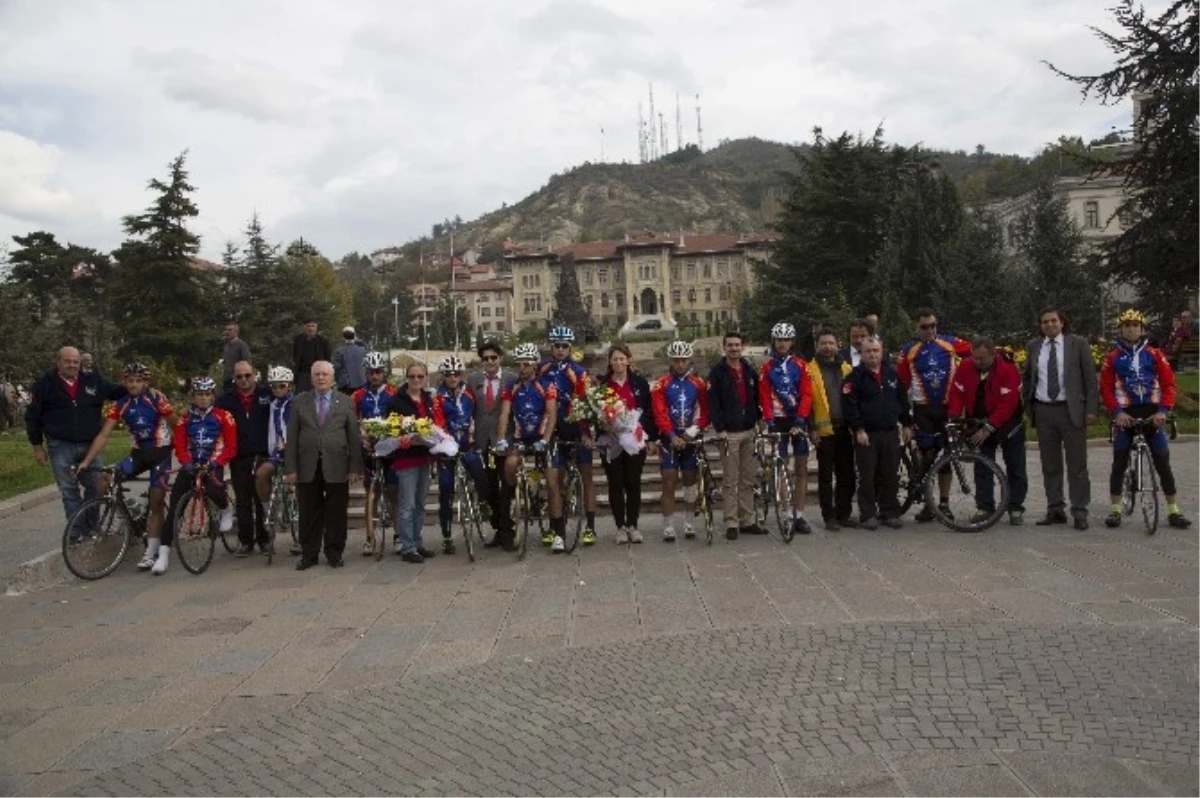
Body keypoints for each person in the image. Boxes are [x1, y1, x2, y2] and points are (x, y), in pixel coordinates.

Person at [75, 363, 175, 569]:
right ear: (125, 382)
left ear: (146, 382)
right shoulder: (120, 404)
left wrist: (184, 449)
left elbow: (177, 424)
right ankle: (121, 514)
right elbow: (104, 434)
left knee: (156, 500)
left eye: (138, 381)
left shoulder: (156, 399)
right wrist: (86, 461)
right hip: (138, 454)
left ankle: (151, 552)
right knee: (104, 480)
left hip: (160, 454)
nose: (134, 385)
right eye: (130, 381)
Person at [1100, 309, 1191, 529]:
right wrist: (1117, 413)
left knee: (1162, 460)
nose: (1131, 329)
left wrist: (1163, 410)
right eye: (1127, 325)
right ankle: (1115, 509)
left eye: (1135, 325)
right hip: (1126, 414)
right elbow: (1106, 389)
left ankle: (1173, 510)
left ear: (1142, 329)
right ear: (1121, 329)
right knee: (1119, 460)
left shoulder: (1154, 353)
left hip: (1152, 412)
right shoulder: (1112, 357)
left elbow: (1169, 384)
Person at [26, 346, 125, 532]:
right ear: (58, 362)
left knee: (96, 487)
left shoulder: (93, 381)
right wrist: (37, 446)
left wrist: (146, 391)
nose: (72, 365)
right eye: (67, 361)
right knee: (69, 491)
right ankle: (77, 533)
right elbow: (32, 417)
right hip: (60, 445)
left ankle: (92, 527)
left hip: (90, 444)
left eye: (75, 362)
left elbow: (119, 392)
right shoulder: (44, 385)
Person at [1021, 307, 1099, 530]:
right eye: (1045, 322)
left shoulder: (1078, 344)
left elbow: (1090, 380)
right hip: (1044, 410)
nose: (1049, 325)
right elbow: (1028, 377)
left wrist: (1091, 410)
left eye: (1053, 321)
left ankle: (1080, 510)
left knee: (1077, 465)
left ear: (1062, 323)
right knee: (1050, 464)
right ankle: (1055, 508)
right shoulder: (1034, 347)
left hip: (1071, 410)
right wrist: (1029, 406)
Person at [284, 361, 362, 569]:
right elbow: (292, 437)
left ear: (332, 378)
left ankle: (334, 553)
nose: (321, 378)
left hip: (336, 464)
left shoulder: (345, 402)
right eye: (317, 374)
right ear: (311, 378)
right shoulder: (300, 402)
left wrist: (355, 467)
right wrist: (290, 468)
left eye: (325, 374)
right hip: (307, 465)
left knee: (336, 511)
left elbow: (353, 437)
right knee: (309, 511)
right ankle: (309, 554)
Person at [897, 308, 972, 522]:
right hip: (923, 409)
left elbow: (977, 352)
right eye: (924, 327)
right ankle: (927, 502)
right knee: (926, 456)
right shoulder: (909, 350)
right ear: (916, 326)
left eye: (933, 326)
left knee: (948, 458)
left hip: (948, 408)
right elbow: (902, 384)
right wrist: (905, 418)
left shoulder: (950, 343)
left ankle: (944, 504)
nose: (930, 330)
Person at [947, 336, 1028, 527]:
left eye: (981, 359)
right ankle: (984, 507)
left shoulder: (1008, 368)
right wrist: (954, 417)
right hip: (978, 419)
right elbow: (957, 392)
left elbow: (1008, 404)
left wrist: (989, 427)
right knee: (982, 466)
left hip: (1009, 423)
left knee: (1015, 466)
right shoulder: (966, 366)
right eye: (974, 358)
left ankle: (1015, 507)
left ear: (993, 355)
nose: (977, 362)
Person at [165, 377, 238, 574]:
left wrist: (216, 462)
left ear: (213, 395)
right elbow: (179, 445)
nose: (204, 398)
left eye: (207, 394)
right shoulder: (185, 418)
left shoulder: (224, 416)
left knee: (214, 487)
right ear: (193, 396)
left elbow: (231, 446)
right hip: (192, 464)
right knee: (175, 502)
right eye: (199, 394)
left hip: (214, 462)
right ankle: (163, 550)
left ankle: (225, 508)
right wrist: (186, 463)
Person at [843, 337, 912, 529]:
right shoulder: (854, 377)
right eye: (868, 351)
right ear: (862, 354)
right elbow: (851, 406)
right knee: (867, 475)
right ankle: (868, 514)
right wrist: (858, 429)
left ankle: (889, 511)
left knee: (890, 473)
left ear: (881, 352)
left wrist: (906, 424)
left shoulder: (892, 374)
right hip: (867, 434)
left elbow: (902, 400)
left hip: (890, 432)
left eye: (875, 351)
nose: (872, 354)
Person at [539, 326, 598, 547]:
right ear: (551, 347)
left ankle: (591, 526)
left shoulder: (579, 371)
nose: (561, 350)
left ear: (570, 348)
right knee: (554, 480)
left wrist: (585, 432)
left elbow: (586, 403)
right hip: (553, 429)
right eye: (557, 346)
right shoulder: (541, 370)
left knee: (587, 475)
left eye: (565, 346)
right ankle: (557, 530)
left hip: (575, 426)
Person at [496, 343, 558, 544]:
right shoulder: (511, 387)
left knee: (550, 481)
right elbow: (504, 415)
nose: (521, 368)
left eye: (526, 364)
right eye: (518, 364)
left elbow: (551, 413)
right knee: (511, 464)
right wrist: (501, 440)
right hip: (521, 436)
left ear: (534, 365)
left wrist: (545, 439)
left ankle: (552, 526)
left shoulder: (545, 385)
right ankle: (516, 494)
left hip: (541, 436)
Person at [758, 322, 815, 536]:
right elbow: (764, 396)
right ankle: (787, 513)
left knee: (801, 468)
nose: (782, 344)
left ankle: (799, 514)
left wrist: (801, 420)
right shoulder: (767, 368)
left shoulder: (800, 365)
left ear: (791, 342)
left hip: (797, 419)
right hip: (778, 420)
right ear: (774, 341)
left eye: (786, 340)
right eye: (779, 340)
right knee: (781, 467)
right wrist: (769, 420)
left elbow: (807, 394)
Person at [652, 340, 709, 542]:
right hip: (669, 438)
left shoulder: (699, 384)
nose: (680, 364)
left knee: (689, 481)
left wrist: (692, 432)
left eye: (684, 360)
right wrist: (671, 435)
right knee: (668, 481)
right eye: (677, 360)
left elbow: (705, 411)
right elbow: (659, 413)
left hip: (690, 437)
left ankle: (689, 522)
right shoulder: (662, 384)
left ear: (689, 360)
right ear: (671, 361)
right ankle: (668, 525)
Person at [597, 344, 655, 544]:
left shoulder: (639, 383)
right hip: (610, 439)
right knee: (615, 483)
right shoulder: (601, 385)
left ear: (629, 360)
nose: (619, 362)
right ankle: (620, 526)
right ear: (610, 362)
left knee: (633, 482)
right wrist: (603, 424)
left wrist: (650, 438)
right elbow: (593, 411)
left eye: (622, 359)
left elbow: (648, 411)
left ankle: (633, 525)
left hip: (634, 439)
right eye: (615, 359)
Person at [707, 331, 762, 539]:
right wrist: (719, 429)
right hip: (728, 433)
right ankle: (731, 521)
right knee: (730, 480)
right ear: (724, 348)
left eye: (737, 345)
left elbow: (755, 396)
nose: (734, 348)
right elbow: (713, 403)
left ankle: (748, 519)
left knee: (748, 479)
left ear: (743, 347)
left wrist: (758, 419)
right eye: (730, 345)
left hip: (748, 430)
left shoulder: (748, 370)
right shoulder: (717, 373)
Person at [433, 355, 490, 554]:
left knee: (481, 475)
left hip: (468, 445)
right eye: (448, 374)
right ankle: (447, 534)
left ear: (461, 375)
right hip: (447, 449)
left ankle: (483, 503)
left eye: (456, 374)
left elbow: (477, 415)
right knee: (446, 489)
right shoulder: (438, 397)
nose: (452, 378)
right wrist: (446, 442)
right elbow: (438, 423)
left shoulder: (469, 394)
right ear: (443, 376)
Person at [386, 361, 442, 563]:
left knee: (420, 503)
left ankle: (417, 542)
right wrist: (404, 437)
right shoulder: (396, 400)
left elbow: (433, 425)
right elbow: (390, 429)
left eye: (420, 376)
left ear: (426, 378)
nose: (416, 380)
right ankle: (407, 546)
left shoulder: (428, 399)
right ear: (406, 378)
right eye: (412, 376)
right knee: (407, 504)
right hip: (406, 458)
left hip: (424, 456)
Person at [215, 361, 272, 556]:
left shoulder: (266, 394)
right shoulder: (225, 400)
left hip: (262, 453)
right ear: (234, 378)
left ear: (254, 374)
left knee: (261, 497)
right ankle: (246, 540)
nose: (244, 380)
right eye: (239, 377)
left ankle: (264, 538)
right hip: (239, 455)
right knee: (243, 498)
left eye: (247, 375)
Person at [467, 340, 517, 550]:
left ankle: (507, 531)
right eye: (485, 358)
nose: (489, 362)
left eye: (493, 358)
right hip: (482, 440)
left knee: (506, 486)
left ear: (500, 359)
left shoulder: (511, 379)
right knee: (487, 487)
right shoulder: (473, 380)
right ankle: (498, 525)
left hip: (505, 438)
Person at [807, 328, 856, 530]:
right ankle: (829, 517)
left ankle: (844, 513)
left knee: (847, 474)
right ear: (817, 346)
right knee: (826, 477)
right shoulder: (809, 370)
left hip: (845, 429)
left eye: (831, 343)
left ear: (838, 345)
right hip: (824, 431)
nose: (828, 347)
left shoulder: (847, 370)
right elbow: (807, 402)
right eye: (824, 343)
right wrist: (811, 428)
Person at [352, 351, 398, 555]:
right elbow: (353, 421)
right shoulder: (358, 395)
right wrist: (361, 437)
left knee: (393, 492)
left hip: (390, 448)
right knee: (371, 492)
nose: (375, 376)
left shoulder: (393, 392)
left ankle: (398, 535)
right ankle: (370, 538)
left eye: (378, 372)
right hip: (368, 447)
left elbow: (400, 418)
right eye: (371, 372)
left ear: (384, 372)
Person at [255, 366, 297, 552]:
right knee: (261, 473)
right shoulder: (271, 405)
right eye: (274, 387)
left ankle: (300, 531)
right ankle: (268, 510)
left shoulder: (297, 404)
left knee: (295, 483)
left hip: (295, 453)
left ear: (290, 386)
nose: (278, 390)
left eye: (282, 386)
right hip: (276, 453)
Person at [292, 318, 331, 393]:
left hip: (318, 374)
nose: (311, 328)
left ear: (316, 327)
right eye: (308, 326)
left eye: (313, 326)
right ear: (304, 327)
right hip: (302, 374)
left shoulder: (323, 341)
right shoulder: (298, 340)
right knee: (302, 397)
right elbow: (295, 356)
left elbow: (328, 359)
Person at [333, 326, 368, 396]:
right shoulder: (363, 350)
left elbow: (337, 369)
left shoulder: (339, 351)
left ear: (343, 336)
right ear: (354, 335)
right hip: (361, 382)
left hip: (345, 385)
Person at [220, 321, 252, 393]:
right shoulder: (226, 346)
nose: (227, 332)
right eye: (226, 330)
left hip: (237, 380)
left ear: (236, 332)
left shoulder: (242, 345)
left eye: (230, 330)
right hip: (227, 379)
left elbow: (247, 362)